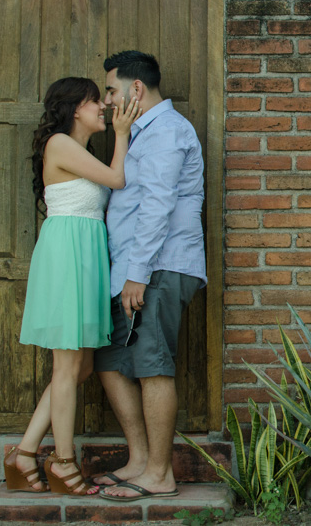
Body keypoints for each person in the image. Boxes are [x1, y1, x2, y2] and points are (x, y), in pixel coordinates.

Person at [4, 77, 140, 496]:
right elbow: (117, 179)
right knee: (66, 368)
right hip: (67, 259)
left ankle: (24, 454)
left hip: (86, 259)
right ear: (74, 108)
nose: (103, 107)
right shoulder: (60, 143)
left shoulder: (81, 152)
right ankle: (62, 462)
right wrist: (122, 134)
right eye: (95, 100)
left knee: (80, 368)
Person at [93, 51, 206, 502]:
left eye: (111, 90)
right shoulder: (142, 133)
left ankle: (160, 474)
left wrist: (137, 274)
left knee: (152, 365)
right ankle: (139, 462)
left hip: (157, 267)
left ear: (136, 88)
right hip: (133, 270)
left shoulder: (167, 131)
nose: (107, 101)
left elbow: (157, 207)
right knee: (111, 362)